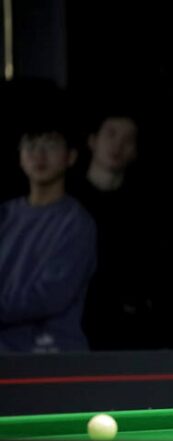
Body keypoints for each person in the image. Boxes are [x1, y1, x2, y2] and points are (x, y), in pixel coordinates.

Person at [0, 110, 97, 352]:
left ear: (71, 156)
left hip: (49, 352)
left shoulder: (76, 222)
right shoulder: (5, 214)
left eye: (50, 145)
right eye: (31, 146)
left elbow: (51, 294)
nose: (39, 155)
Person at [67, 107, 156, 350]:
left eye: (128, 139)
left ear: (135, 151)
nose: (118, 145)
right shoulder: (68, 201)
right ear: (92, 141)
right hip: (72, 323)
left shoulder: (142, 209)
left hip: (122, 330)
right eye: (111, 134)